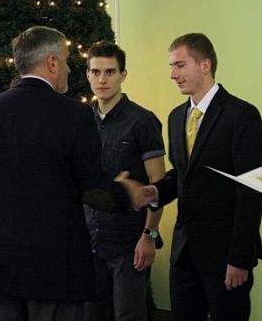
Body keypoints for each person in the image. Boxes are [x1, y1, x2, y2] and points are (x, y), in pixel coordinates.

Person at [0, 26, 155, 321]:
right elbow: (92, 189)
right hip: (53, 265)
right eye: (66, 59)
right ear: (52, 62)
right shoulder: (74, 115)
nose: (69, 68)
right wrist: (125, 193)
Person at [149, 32, 262, 321]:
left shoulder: (242, 115)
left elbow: (251, 191)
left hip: (226, 257)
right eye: (171, 66)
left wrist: (240, 258)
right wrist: (155, 192)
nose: (172, 74)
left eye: (179, 65)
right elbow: (183, 175)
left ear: (205, 65)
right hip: (184, 254)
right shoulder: (176, 117)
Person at [83, 41, 166, 321]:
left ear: (123, 75)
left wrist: (149, 236)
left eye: (110, 72)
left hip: (129, 245)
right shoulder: (82, 121)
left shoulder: (142, 121)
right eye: (96, 72)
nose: (102, 79)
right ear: (87, 75)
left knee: (128, 316)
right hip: (90, 241)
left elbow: (158, 185)